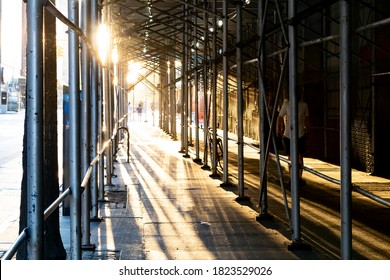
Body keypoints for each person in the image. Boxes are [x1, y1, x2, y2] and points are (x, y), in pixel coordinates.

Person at [276, 94, 310, 186]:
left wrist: (278, 129)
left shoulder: (287, 104)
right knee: (300, 156)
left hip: (289, 134)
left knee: (291, 157)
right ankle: (299, 178)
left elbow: (280, 117)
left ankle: (292, 178)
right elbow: (307, 120)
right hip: (300, 134)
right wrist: (308, 131)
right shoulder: (303, 105)